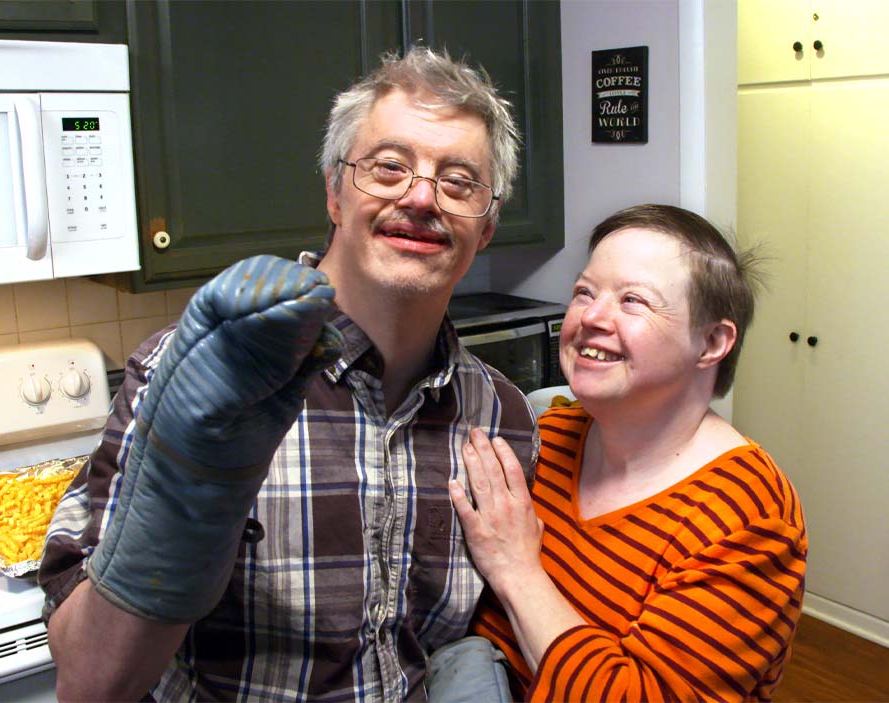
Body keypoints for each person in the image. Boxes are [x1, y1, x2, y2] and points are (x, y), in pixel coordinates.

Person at [39, 47, 539, 702]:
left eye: (459, 182)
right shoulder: (200, 378)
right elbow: (91, 684)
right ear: (335, 192)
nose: (420, 196)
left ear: (489, 224)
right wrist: (185, 507)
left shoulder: (501, 418)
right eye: (389, 167)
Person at [448, 204, 807, 702]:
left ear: (712, 342)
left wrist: (515, 568)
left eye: (633, 300)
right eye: (584, 292)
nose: (590, 316)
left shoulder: (748, 516)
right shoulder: (547, 436)